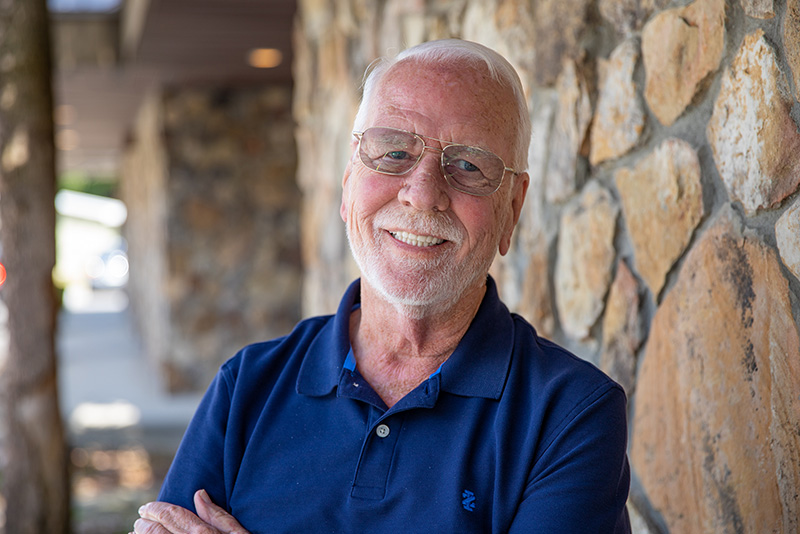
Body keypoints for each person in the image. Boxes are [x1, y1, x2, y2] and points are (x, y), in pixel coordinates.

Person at [131, 39, 631, 534]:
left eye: (468, 165)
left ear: (512, 209)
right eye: (394, 151)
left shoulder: (571, 416)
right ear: (349, 185)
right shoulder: (249, 386)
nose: (423, 194)